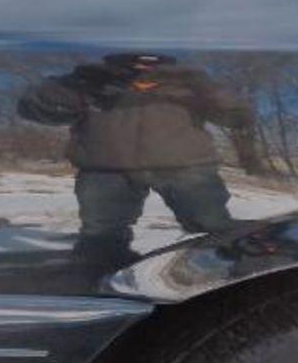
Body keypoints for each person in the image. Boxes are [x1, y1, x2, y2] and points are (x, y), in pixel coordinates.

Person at [19, 53, 248, 259]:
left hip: (185, 168)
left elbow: (240, 117)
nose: (142, 64)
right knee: (102, 233)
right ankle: (98, 276)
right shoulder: (90, 81)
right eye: (133, 56)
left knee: (212, 223)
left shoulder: (191, 84)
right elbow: (33, 109)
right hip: (105, 169)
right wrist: (71, 88)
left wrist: (206, 87)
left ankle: (230, 270)